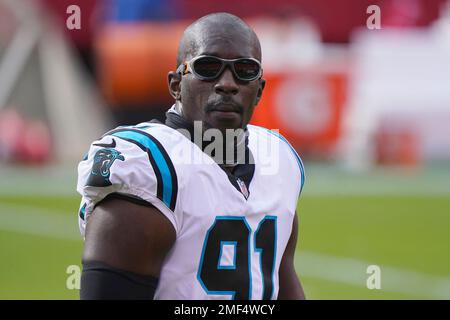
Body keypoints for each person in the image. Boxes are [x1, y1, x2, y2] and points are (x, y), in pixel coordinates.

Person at [76, 12, 305, 300]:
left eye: (244, 70)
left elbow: (281, 281)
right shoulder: (148, 166)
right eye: (208, 67)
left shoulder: (279, 159)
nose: (227, 83)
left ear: (258, 90)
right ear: (175, 85)